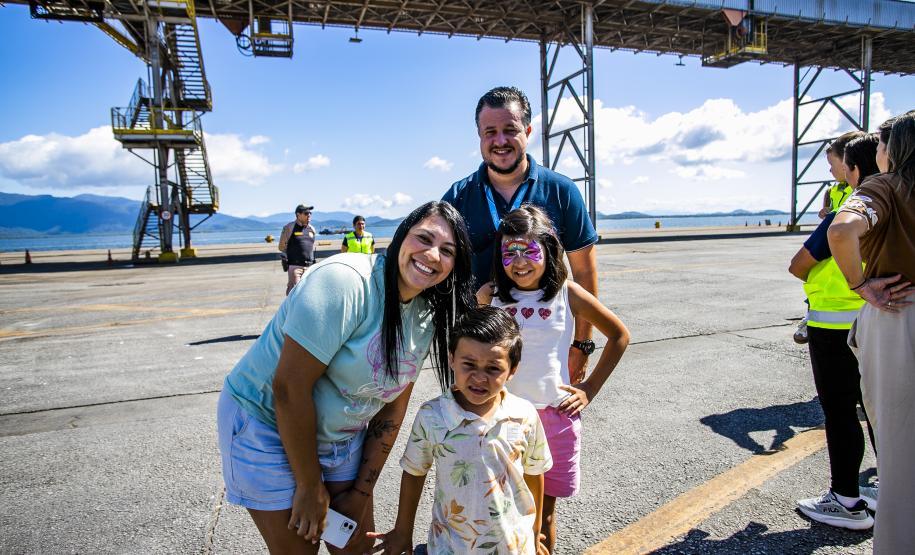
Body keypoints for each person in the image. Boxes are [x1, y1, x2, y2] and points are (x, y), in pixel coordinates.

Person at [217, 201, 475, 554]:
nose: (432, 255)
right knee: (300, 548)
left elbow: (391, 412)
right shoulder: (346, 282)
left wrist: (361, 493)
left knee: (354, 548)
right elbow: (289, 388)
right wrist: (309, 487)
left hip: (341, 433)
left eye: (447, 250)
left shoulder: (428, 314)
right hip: (266, 423)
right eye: (424, 238)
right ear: (401, 237)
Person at [477, 205, 630, 552]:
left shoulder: (567, 293)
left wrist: (589, 388)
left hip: (554, 420)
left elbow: (619, 335)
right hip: (504, 420)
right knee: (498, 509)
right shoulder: (492, 297)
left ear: (548, 249)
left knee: (541, 519)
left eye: (529, 251)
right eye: (509, 252)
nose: (519, 263)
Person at [442, 86, 599, 384]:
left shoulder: (561, 191)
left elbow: (585, 272)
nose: (500, 141)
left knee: (545, 427)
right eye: (490, 132)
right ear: (479, 136)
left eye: (510, 130)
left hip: (545, 348)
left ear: (527, 131)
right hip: (477, 350)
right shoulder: (458, 196)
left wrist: (581, 345)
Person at [368, 306, 553, 555]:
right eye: (469, 364)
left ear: (513, 369)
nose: (479, 377)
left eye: (493, 368)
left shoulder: (524, 414)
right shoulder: (432, 416)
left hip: (514, 547)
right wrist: (403, 531)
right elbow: (414, 472)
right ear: (452, 358)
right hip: (450, 546)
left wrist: (534, 530)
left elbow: (534, 472)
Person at [828, 111, 915, 554]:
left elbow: (842, 230)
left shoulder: (884, 186)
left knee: (899, 450)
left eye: (880, 143)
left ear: (894, 149)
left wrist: (860, 284)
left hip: (900, 315)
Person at [788, 134, 880, 531]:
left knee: (840, 414)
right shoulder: (893, 203)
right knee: (878, 413)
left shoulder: (850, 209)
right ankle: (890, 489)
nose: (831, 172)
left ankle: (845, 499)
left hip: (835, 323)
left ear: (853, 167)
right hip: (878, 320)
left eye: (834, 165)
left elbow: (799, 263)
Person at [798, 131, 865, 343]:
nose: (831, 169)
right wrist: (826, 212)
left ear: (848, 162)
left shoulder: (862, 195)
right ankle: (809, 314)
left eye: (832, 163)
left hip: (841, 247)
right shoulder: (833, 191)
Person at [279, 204, 317, 295]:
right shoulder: (289, 227)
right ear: (298, 215)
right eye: (306, 213)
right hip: (295, 267)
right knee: (296, 293)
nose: (309, 215)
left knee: (308, 293)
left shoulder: (312, 229)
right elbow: (281, 246)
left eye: (310, 213)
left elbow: (310, 247)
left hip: (309, 268)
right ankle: (290, 309)